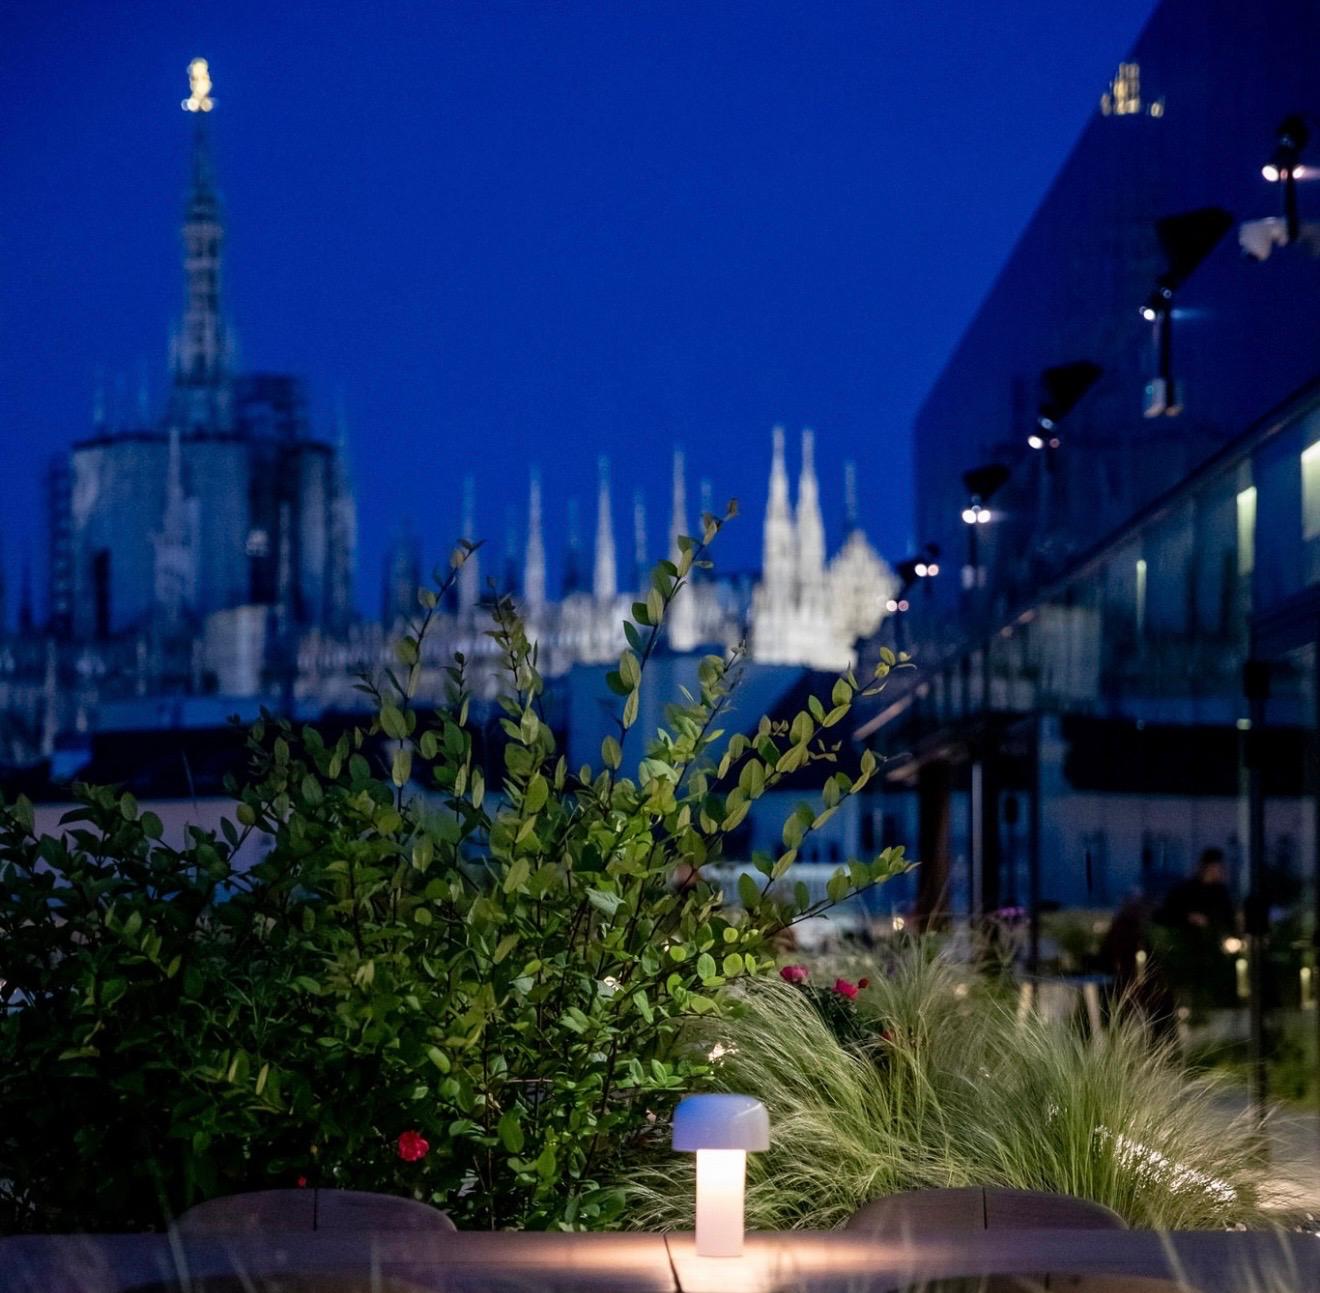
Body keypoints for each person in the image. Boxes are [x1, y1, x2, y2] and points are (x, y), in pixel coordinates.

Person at [1156, 848, 1235, 936]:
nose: (1221, 871)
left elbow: (1228, 917)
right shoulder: (1186, 890)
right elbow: (1169, 912)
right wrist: (1190, 918)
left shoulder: (1221, 892)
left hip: (1214, 939)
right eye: (1218, 867)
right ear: (1208, 867)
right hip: (1187, 937)